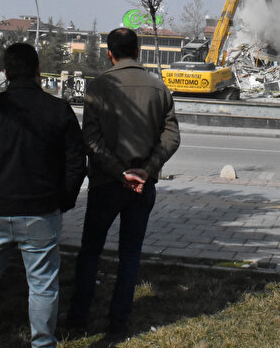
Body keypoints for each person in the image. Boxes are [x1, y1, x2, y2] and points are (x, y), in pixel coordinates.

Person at [0, 43, 86, 348]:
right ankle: (42, 343)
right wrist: (63, 200)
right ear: (38, 71)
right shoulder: (59, 110)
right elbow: (76, 164)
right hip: (42, 210)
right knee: (42, 285)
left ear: (6, 73)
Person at [65, 27, 180, 336]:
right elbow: (172, 136)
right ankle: (119, 322)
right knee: (130, 254)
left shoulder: (99, 86)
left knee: (91, 251)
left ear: (109, 53)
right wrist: (147, 168)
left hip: (105, 184)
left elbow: (91, 138)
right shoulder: (158, 88)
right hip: (143, 186)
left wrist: (118, 172)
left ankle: (78, 318)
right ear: (138, 52)